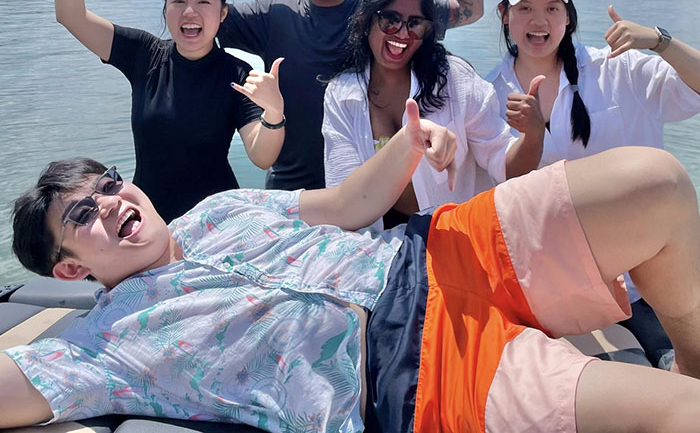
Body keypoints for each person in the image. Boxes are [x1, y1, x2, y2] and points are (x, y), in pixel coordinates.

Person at [5, 109, 700, 431]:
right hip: (413, 373)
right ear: (69, 270)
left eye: (109, 184)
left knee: (657, 182)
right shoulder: (102, 346)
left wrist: (407, 140)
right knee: (680, 416)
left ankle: (692, 356)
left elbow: (348, 204)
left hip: (433, 252)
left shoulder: (219, 208)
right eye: (81, 216)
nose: (110, 203)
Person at [185, 0, 485, 190]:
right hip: (292, 188)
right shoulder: (274, 15)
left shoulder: (381, 15)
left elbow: (469, 8)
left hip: (371, 190)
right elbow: (200, 14)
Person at [487, 0, 700, 367]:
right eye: (525, 8)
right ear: (504, 15)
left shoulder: (619, 68)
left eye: (552, 8)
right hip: (556, 290)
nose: (539, 20)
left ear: (569, 16)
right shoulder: (487, 95)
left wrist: (660, 41)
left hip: (647, 285)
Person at [54, 0, 286, 222]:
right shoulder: (143, 54)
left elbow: (262, 156)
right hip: (148, 225)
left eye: (203, 1)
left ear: (222, 14)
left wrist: (274, 112)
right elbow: (71, 16)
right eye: (179, 1)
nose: (190, 11)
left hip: (216, 225)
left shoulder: (236, 73)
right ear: (166, 10)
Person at [323, 0, 543, 229]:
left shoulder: (455, 81)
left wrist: (534, 135)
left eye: (415, 23)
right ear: (365, 21)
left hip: (454, 235)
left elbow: (505, 166)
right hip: (374, 242)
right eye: (389, 20)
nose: (402, 34)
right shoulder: (342, 95)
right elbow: (343, 193)